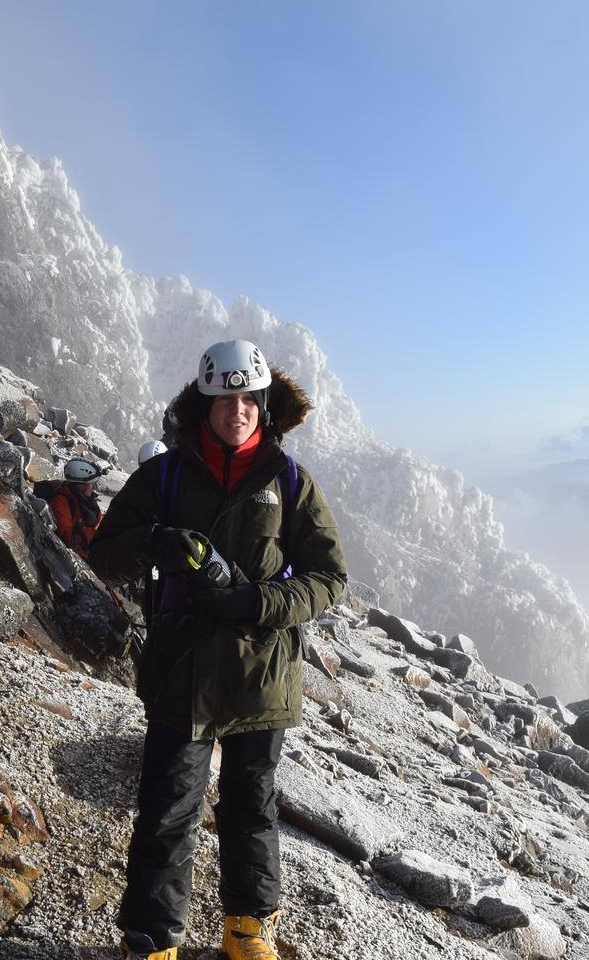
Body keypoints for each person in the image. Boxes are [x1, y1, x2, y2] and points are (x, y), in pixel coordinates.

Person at [87, 339, 348, 960]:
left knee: (251, 808)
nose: (238, 411)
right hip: (184, 671)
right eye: (225, 400)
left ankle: (248, 933)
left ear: (264, 405)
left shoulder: (289, 481)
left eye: (249, 399)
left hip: (263, 673)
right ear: (204, 405)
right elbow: (106, 553)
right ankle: (152, 942)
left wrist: (259, 602)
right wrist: (156, 541)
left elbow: (328, 577)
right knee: (168, 809)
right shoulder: (167, 475)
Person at [48, 456, 104, 558]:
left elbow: (100, 526)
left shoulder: (88, 501)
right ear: (82, 485)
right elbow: (67, 537)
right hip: (79, 556)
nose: (94, 488)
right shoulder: (61, 501)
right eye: (92, 484)